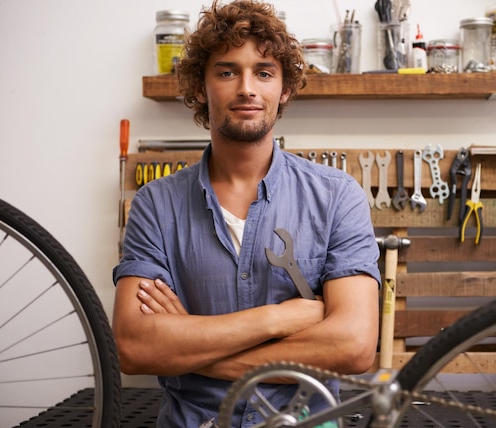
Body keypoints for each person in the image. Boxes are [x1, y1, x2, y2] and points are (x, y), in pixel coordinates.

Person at [112, 1, 381, 426]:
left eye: (263, 72)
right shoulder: (155, 205)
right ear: (200, 87)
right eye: (226, 71)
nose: (246, 88)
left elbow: (354, 347)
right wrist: (281, 318)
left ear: (285, 89)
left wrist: (194, 347)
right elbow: (134, 346)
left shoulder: (337, 197)